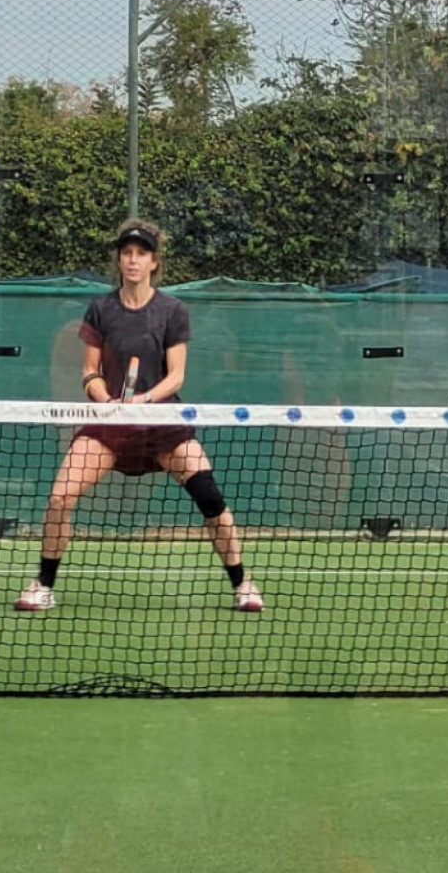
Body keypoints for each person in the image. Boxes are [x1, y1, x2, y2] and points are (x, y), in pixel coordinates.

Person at [14, 219, 263, 613]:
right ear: (119, 260)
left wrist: (144, 399)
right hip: (111, 426)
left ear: (153, 262)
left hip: (163, 423)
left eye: (141, 253)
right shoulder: (100, 309)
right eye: (126, 253)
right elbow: (89, 371)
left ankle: (243, 584)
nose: (132, 260)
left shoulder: (172, 311)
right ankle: (43, 585)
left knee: (210, 497)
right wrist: (105, 399)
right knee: (60, 497)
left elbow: (176, 375)